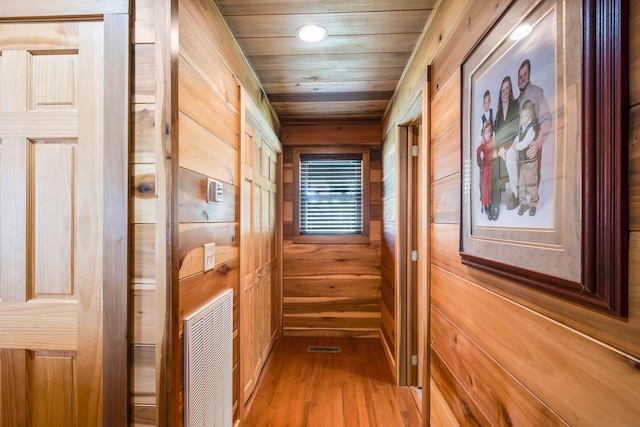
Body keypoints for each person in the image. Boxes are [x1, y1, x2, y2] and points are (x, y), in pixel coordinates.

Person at [504, 59, 553, 209]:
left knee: (531, 176)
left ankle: (532, 200)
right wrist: (511, 144)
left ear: (530, 74)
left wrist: (538, 143)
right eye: (520, 76)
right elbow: (512, 128)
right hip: (519, 143)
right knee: (510, 155)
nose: (522, 78)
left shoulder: (537, 92)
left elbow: (547, 118)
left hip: (531, 143)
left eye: (525, 74)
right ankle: (516, 194)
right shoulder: (516, 102)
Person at [493, 76, 520, 210]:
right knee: (493, 160)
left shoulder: (515, 105)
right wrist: (499, 150)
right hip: (502, 148)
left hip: (515, 142)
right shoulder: (497, 115)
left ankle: (516, 195)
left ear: (510, 90)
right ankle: (495, 196)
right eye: (502, 90)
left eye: (507, 88)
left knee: (510, 155)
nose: (504, 92)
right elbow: (497, 136)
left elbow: (516, 129)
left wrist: (507, 148)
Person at [512, 100, 539, 216]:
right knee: (522, 184)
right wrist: (513, 144)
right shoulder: (521, 129)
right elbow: (517, 139)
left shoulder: (531, 130)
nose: (523, 119)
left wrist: (515, 147)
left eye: (525, 116)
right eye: (521, 117)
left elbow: (523, 144)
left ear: (531, 116)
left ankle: (533, 203)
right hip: (522, 164)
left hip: (530, 164)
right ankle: (523, 203)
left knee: (531, 183)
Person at [476, 120, 497, 219]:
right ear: (483, 134)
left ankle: (492, 204)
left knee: (491, 186)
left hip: (493, 167)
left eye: (490, 132)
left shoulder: (493, 142)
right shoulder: (482, 146)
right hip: (486, 169)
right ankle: (486, 205)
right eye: (486, 132)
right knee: (485, 186)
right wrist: (481, 153)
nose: (488, 134)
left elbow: (495, 152)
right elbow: (479, 149)